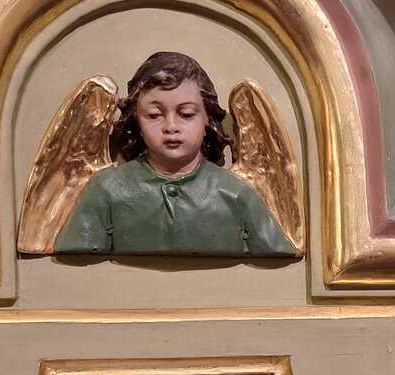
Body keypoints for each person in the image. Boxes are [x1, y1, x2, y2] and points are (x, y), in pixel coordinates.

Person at [55, 52, 298, 257]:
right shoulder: (107, 189)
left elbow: (277, 263)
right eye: (154, 115)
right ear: (136, 120)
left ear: (207, 118)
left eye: (186, 114)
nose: (171, 126)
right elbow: (78, 264)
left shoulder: (235, 192)